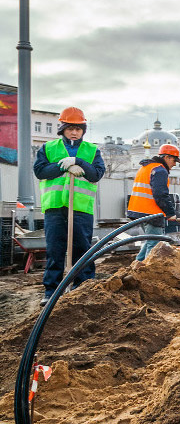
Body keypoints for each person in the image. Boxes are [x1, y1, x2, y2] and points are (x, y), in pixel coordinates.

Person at [33, 107, 106, 304]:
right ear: (63, 128)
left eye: (78, 128)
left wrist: (79, 162)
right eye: (70, 128)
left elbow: (96, 174)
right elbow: (40, 171)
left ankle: (83, 287)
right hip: (55, 207)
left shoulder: (92, 151)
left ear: (83, 130)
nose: (74, 132)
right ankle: (51, 291)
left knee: (82, 248)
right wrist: (60, 166)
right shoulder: (48, 148)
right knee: (55, 249)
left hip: (81, 207)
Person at [126, 143, 180, 261]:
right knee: (154, 244)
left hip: (139, 211)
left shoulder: (146, 167)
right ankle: (147, 274)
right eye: (174, 160)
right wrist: (170, 213)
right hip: (151, 212)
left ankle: (136, 266)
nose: (175, 164)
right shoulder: (160, 170)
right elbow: (161, 194)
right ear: (166, 157)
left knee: (150, 241)